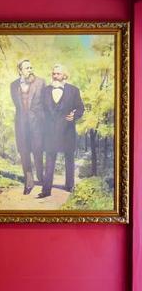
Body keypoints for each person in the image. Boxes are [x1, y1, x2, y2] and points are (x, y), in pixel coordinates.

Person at [37, 64, 85, 198]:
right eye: (53, 73)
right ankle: (46, 190)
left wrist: (74, 115)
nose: (55, 76)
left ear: (64, 75)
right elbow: (40, 109)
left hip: (67, 131)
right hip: (50, 132)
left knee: (69, 158)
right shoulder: (45, 91)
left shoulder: (74, 90)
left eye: (58, 74)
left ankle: (69, 186)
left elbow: (80, 108)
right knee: (49, 159)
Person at [10, 59, 45, 195]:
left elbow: (44, 104)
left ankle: (41, 176)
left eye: (31, 67)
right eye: (27, 68)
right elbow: (17, 105)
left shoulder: (40, 82)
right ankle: (29, 182)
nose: (30, 70)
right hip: (21, 124)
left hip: (38, 124)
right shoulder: (13, 85)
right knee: (24, 153)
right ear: (20, 71)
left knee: (38, 151)